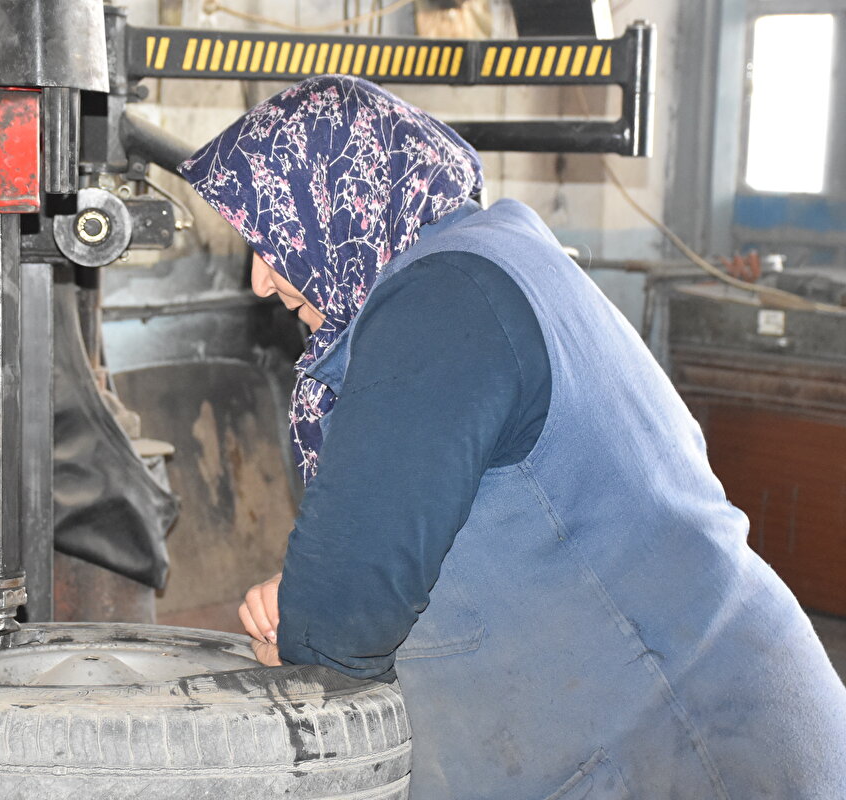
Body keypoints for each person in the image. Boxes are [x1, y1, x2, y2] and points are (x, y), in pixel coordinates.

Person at [178, 75, 846, 799]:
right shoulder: (487, 254)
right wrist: (318, 590)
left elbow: (340, 630)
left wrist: (315, 616)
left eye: (277, 236)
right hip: (720, 714)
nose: (261, 281)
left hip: (694, 751)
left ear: (341, 204)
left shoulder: (438, 309)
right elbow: (433, 524)